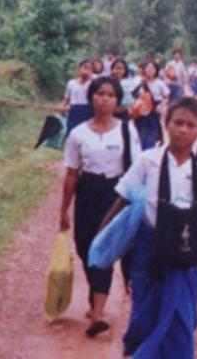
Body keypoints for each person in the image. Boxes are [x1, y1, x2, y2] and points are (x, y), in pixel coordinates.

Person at [102, 97, 197, 358]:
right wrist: (105, 234)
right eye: (177, 123)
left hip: (186, 249)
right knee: (145, 306)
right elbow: (124, 197)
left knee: (181, 313)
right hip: (149, 247)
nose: (183, 130)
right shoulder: (148, 161)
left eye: (191, 125)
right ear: (166, 123)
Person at [60, 77, 142, 338]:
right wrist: (64, 210)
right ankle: (95, 298)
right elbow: (72, 174)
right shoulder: (78, 134)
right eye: (100, 94)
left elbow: (138, 170)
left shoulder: (127, 131)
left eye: (110, 95)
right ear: (91, 97)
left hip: (117, 194)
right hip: (88, 192)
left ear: (117, 100)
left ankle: (97, 313)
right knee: (85, 247)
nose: (104, 99)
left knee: (104, 246)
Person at [132, 60, 171, 150]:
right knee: (141, 134)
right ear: (144, 69)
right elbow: (133, 95)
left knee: (152, 134)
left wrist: (161, 105)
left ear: (156, 70)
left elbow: (167, 96)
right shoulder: (138, 81)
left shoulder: (159, 83)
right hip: (141, 111)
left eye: (152, 68)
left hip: (154, 111)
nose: (150, 70)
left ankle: (149, 150)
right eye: (148, 67)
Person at [62, 59, 95, 134]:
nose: (87, 70)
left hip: (87, 109)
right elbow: (67, 98)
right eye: (85, 67)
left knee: (86, 132)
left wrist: (92, 80)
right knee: (72, 131)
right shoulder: (71, 83)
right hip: (74, 109)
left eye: (90, 69)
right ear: (79, 69)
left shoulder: (93, 83)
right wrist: (62, 109)